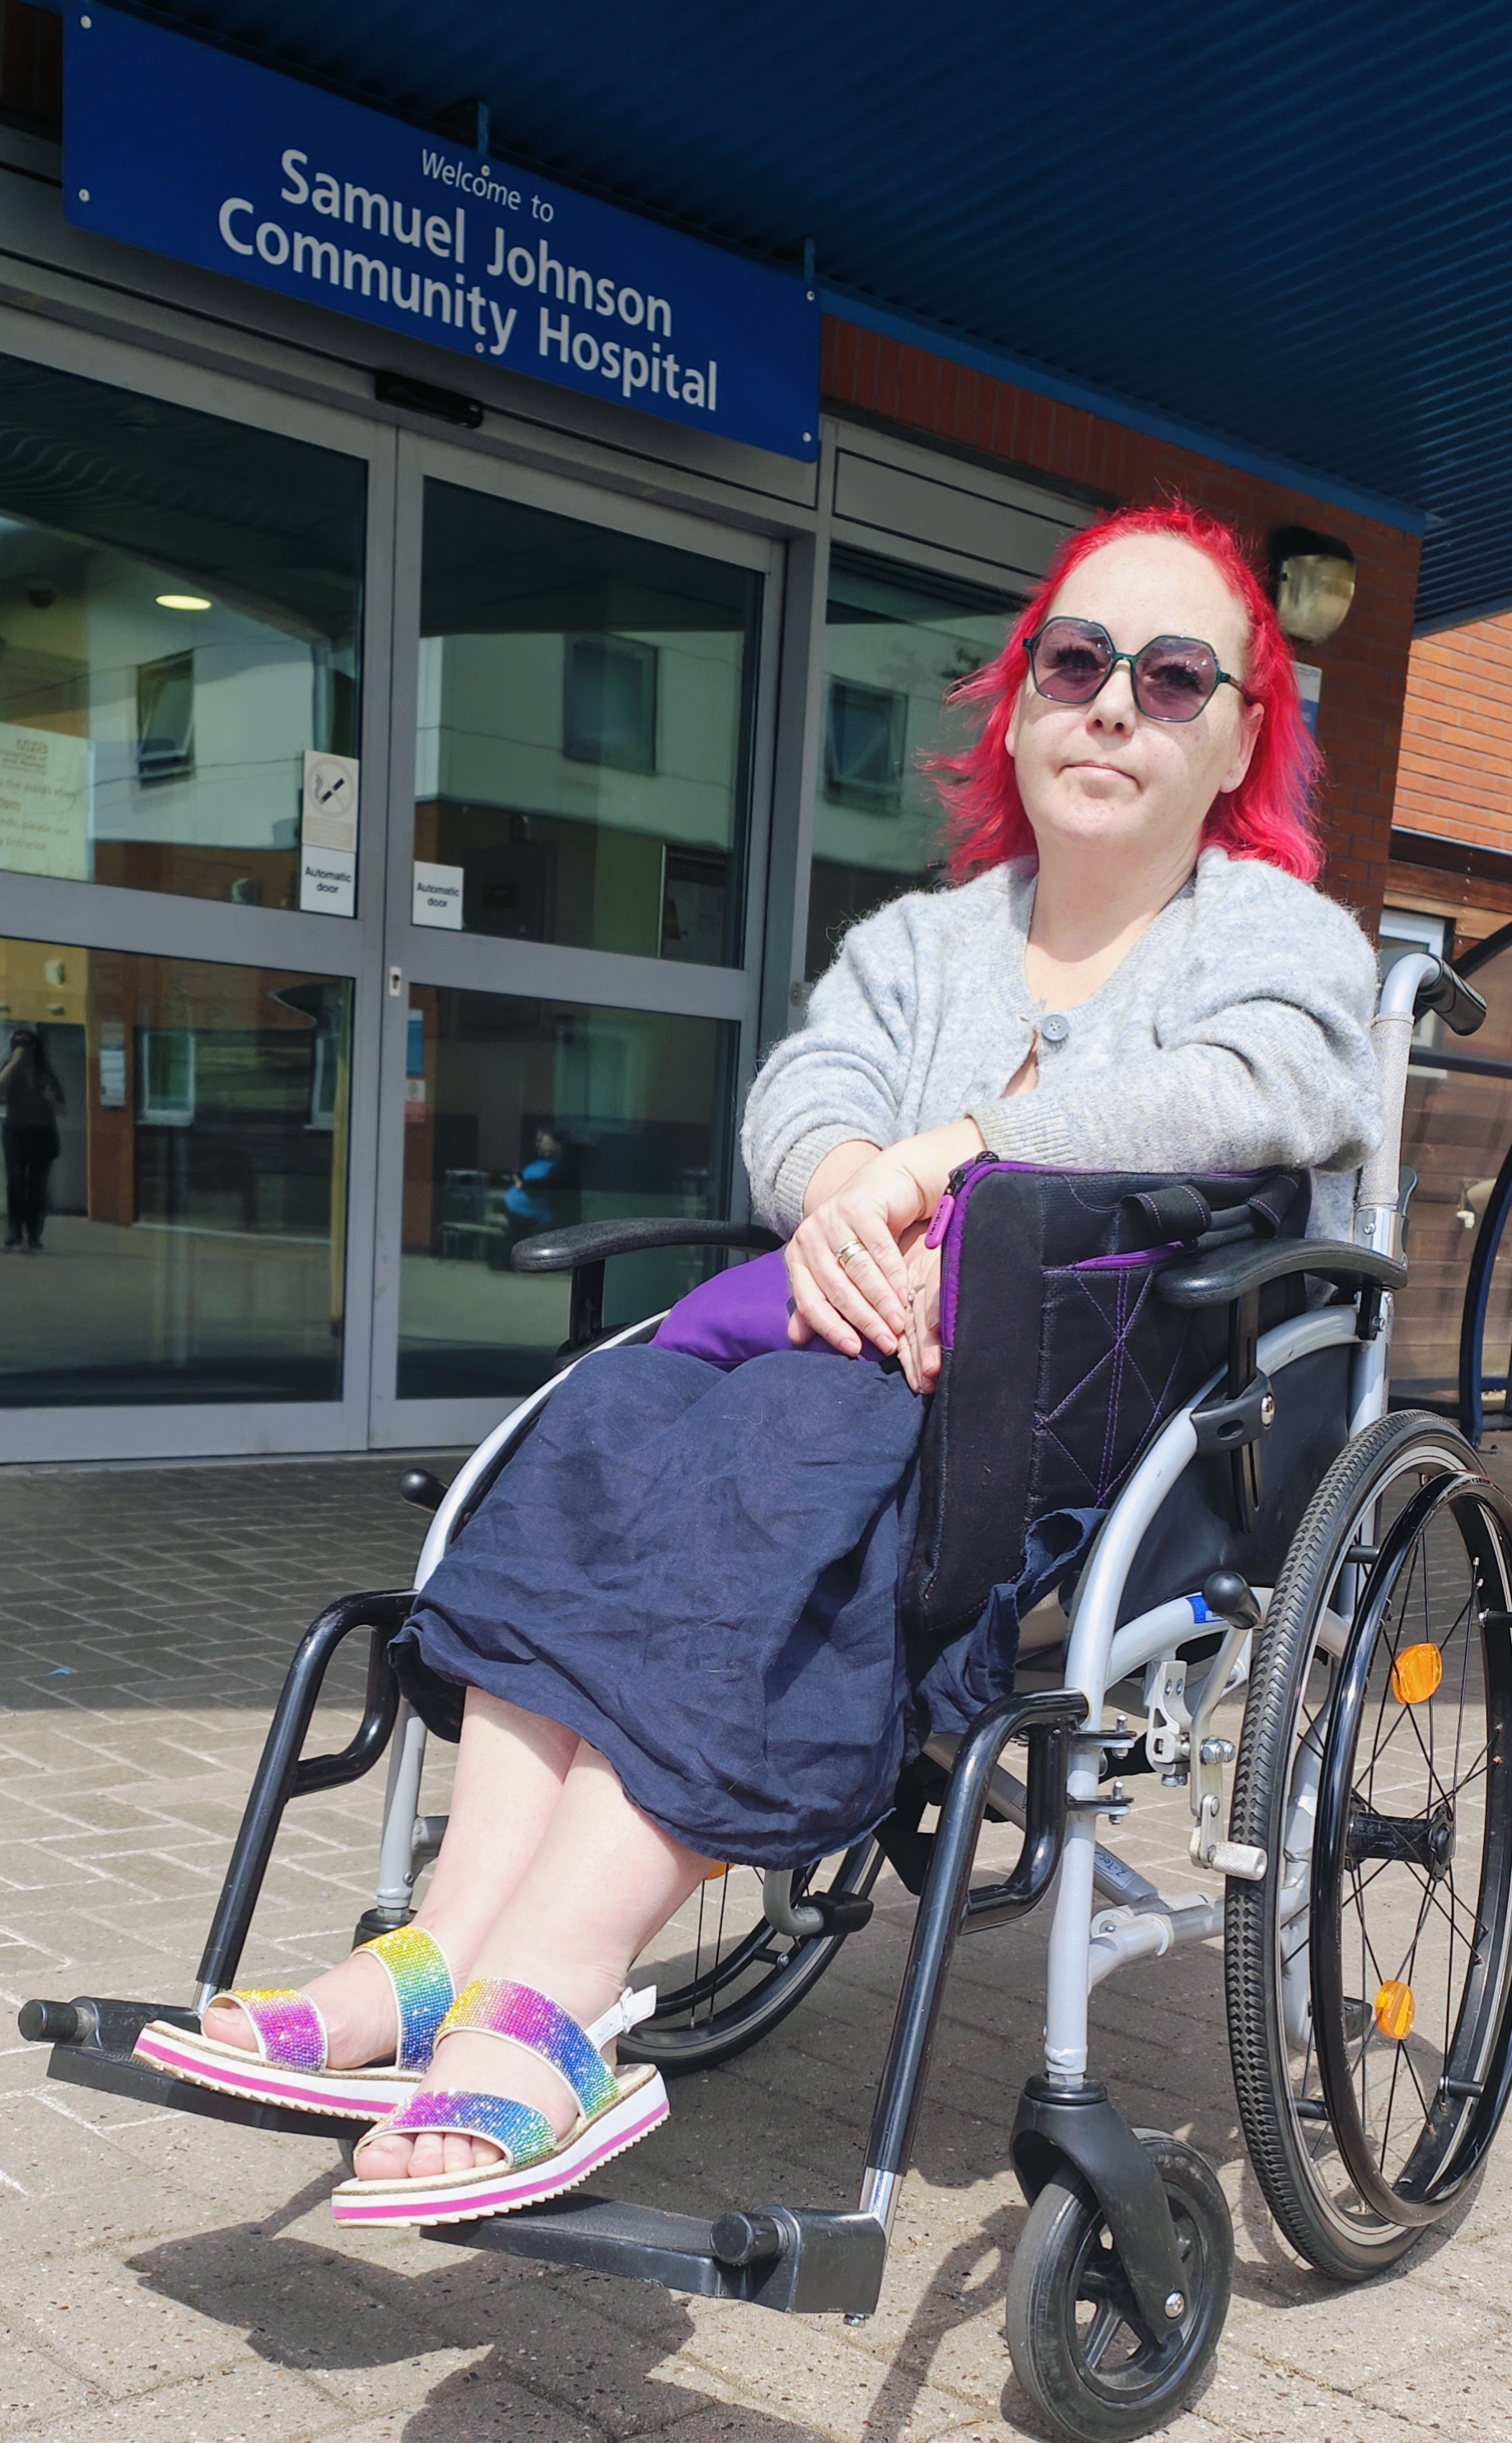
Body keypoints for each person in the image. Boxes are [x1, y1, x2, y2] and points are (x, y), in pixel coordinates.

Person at [142, 504, 1382, 2226]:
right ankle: (444, 1956)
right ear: (1017, 706)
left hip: (1095, 1437)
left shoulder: (1276, 940)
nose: (1114, 705)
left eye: (1173, 676)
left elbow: (1264, 1091)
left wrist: (950, 1147)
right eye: (1076, 663)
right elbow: (801, 1105)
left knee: (784, 1460)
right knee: (611, 1422)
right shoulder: (927, 943)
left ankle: (552, 1999)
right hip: (852, 1367)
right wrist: (828, 1198)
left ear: (1242, 730)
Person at [1, 1025, 65, 1253]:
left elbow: (62, 1109)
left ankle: (34, 1233)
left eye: (26, 1045)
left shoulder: (45, 1074)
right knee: (15, 1182)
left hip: (41, 1134)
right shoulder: (10, 1070)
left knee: (36, 1186)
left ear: (35, 1047)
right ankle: (14, 1229)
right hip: (15, 1132)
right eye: (17, 1044)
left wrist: (50, 1100)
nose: (22, 1049)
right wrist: (13, 1063)